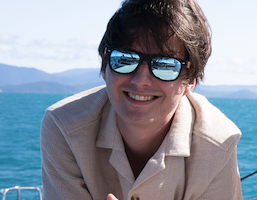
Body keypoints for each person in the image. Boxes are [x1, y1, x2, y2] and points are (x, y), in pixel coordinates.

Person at [39, 0, 242, 199]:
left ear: (191, 81)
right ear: (104, 66)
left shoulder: (218, 144)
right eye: (125, 59)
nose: (141, 80)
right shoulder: (64, 126)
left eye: (165, 65)